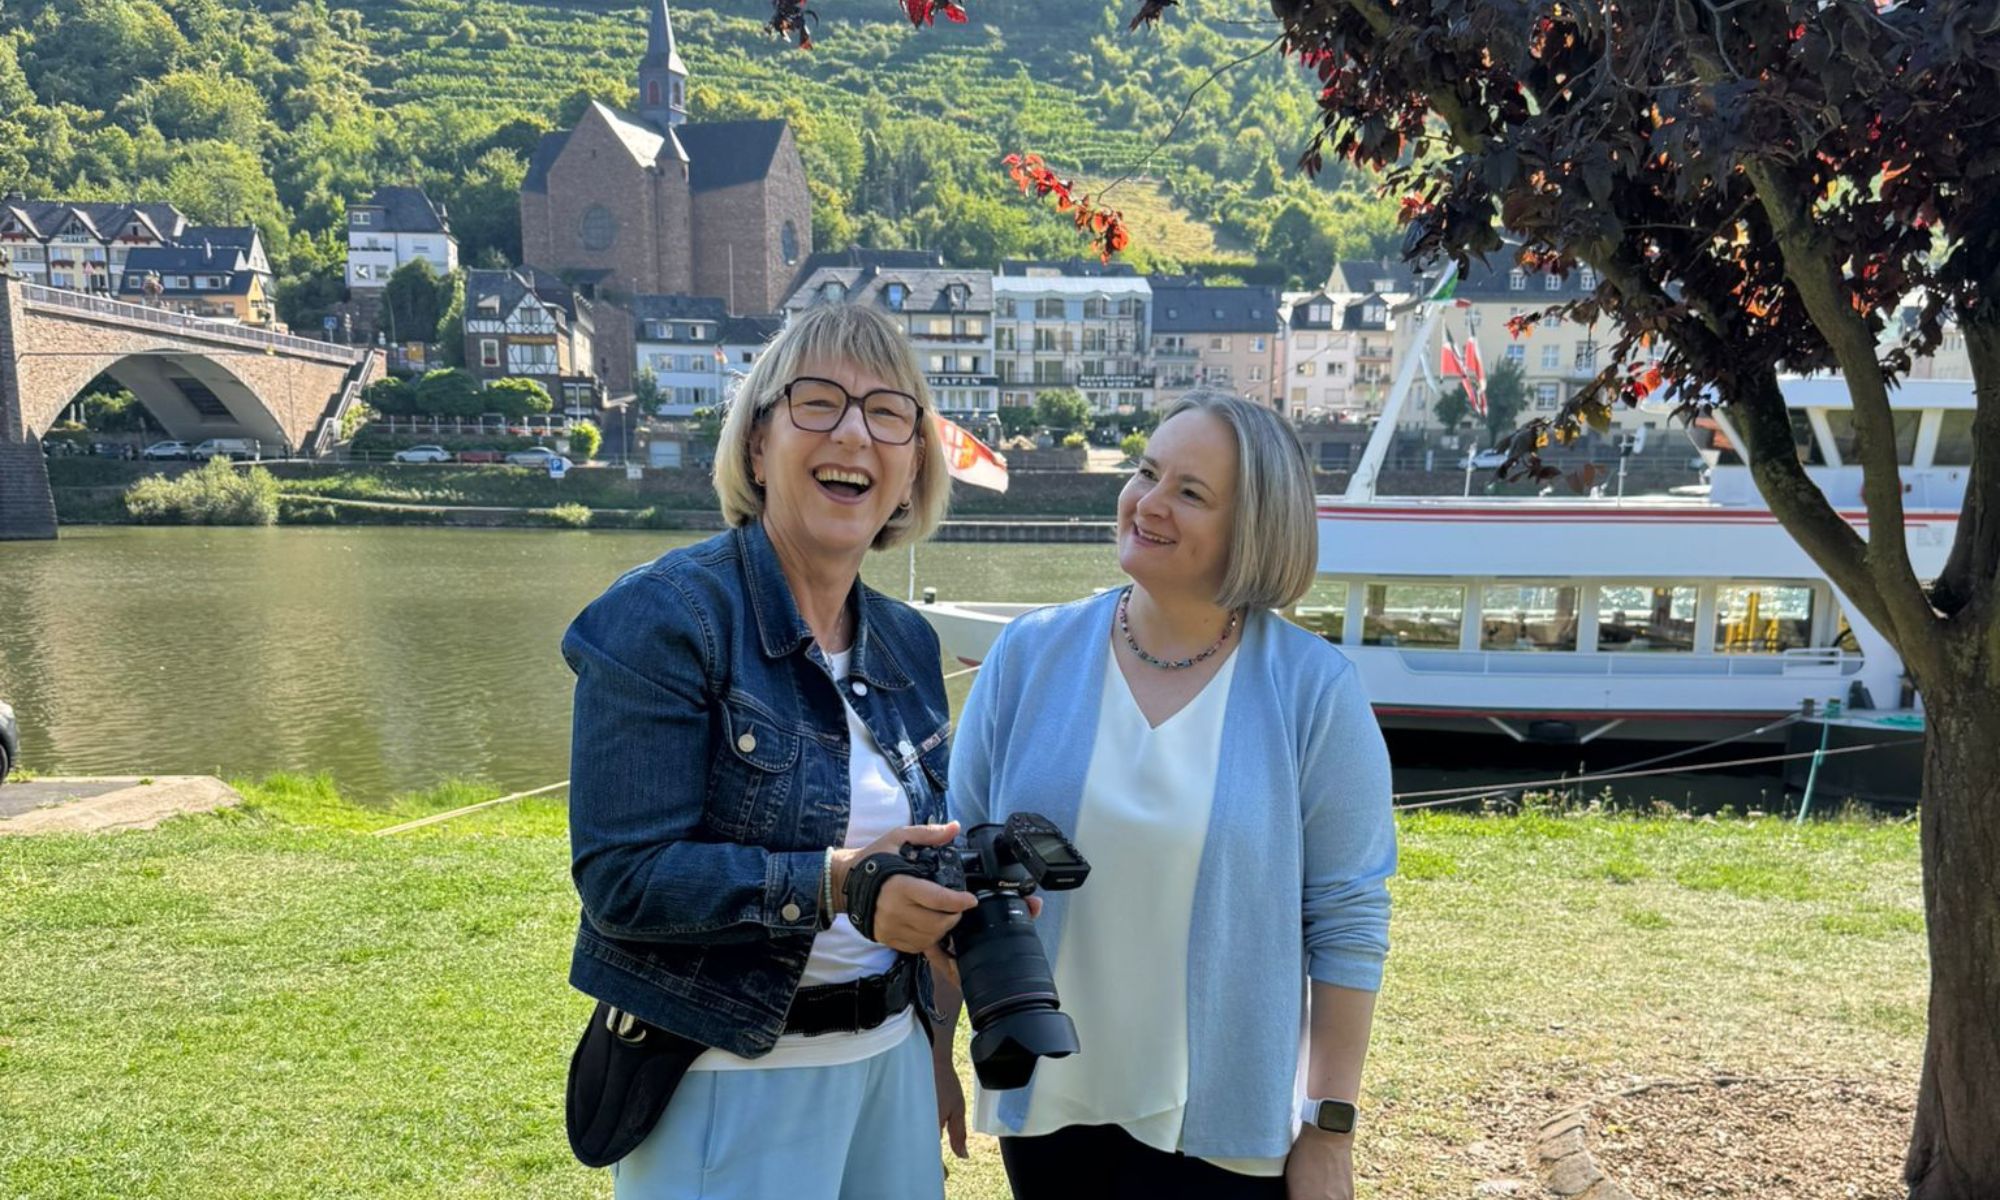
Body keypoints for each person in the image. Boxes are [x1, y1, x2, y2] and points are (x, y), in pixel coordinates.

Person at [561, 302, 974, 1199]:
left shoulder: (907, 641)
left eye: (888, 413)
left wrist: (936, 1049)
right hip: (730, 1078)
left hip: (889, 1066)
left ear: (911, 469)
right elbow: (623, 880)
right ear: (757, 447)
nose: (855, 432)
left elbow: (917, 874)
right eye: (818, 402)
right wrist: (838, 883)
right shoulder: (666, 616)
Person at [942, 391, 1397, 1199]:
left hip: (1223, 1131)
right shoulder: (1028, 657)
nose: (1147, 503)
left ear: (1253, 529)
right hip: (1051, 1099)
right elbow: (952, 875)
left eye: (1190, 492)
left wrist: (1329, 1130)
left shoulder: (1314, 691)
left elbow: (1349, 922)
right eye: (1148, 472)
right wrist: (936, 1054)